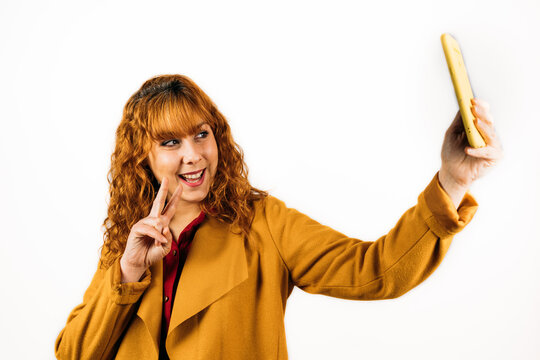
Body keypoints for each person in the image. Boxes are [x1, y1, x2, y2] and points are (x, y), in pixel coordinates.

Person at [54, 74, 503, 359]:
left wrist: (451, 180)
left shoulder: (261, 223)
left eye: (200, 135)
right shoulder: (128, 244)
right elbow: (73, 354)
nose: (192, 156)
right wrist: (129, 272)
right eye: (170, 143)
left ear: (218, 138)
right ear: (143, 158)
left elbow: (376, 270)